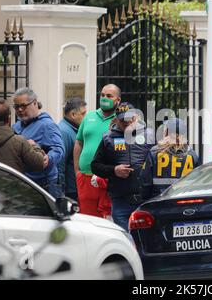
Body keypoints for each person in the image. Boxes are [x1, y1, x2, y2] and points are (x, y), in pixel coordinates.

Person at [91, 102, 155, 230]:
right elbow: (95, 166)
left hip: (145, 201)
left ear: (136, 117)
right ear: (116, 120)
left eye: (129, 119)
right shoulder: (108, 138)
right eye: (122, 120)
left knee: (145, 242)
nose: (126, 122)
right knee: (125, 241)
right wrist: (114, 170)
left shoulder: (150, 135)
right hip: (121, 202)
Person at [73, 84, 121, 218]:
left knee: (105, 219)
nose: (105, 98)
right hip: (85, 178)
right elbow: (79, 142)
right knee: (87, 219)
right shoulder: (89, 117)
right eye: (102, 95)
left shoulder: (120, 121)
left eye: (109, 96)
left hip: (108, 180)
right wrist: (77, 171)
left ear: (118, 100)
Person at [12, 88, 65, 198]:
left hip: (45, 184)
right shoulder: (16, 126)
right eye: (16, 107)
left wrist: (48, 158)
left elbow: (59, 149)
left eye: (23, 105)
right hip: (24, 182)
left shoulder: (47, 125)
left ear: (35, 103)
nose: (20, 110)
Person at [140, 118, 200, 200]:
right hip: (183, 201)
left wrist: (145, 199)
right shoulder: (192, 154)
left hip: (158, 202)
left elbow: (145, 180)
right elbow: (196, 182)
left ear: (166, 132)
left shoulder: (154, 152)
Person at [58, 97, 87, 201]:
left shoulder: (73, 129)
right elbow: (60, 164)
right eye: (83, 114)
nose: (86, 117)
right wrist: (60, 193)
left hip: (76, 187)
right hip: (70, 191)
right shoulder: (64, 132)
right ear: (73, 115)